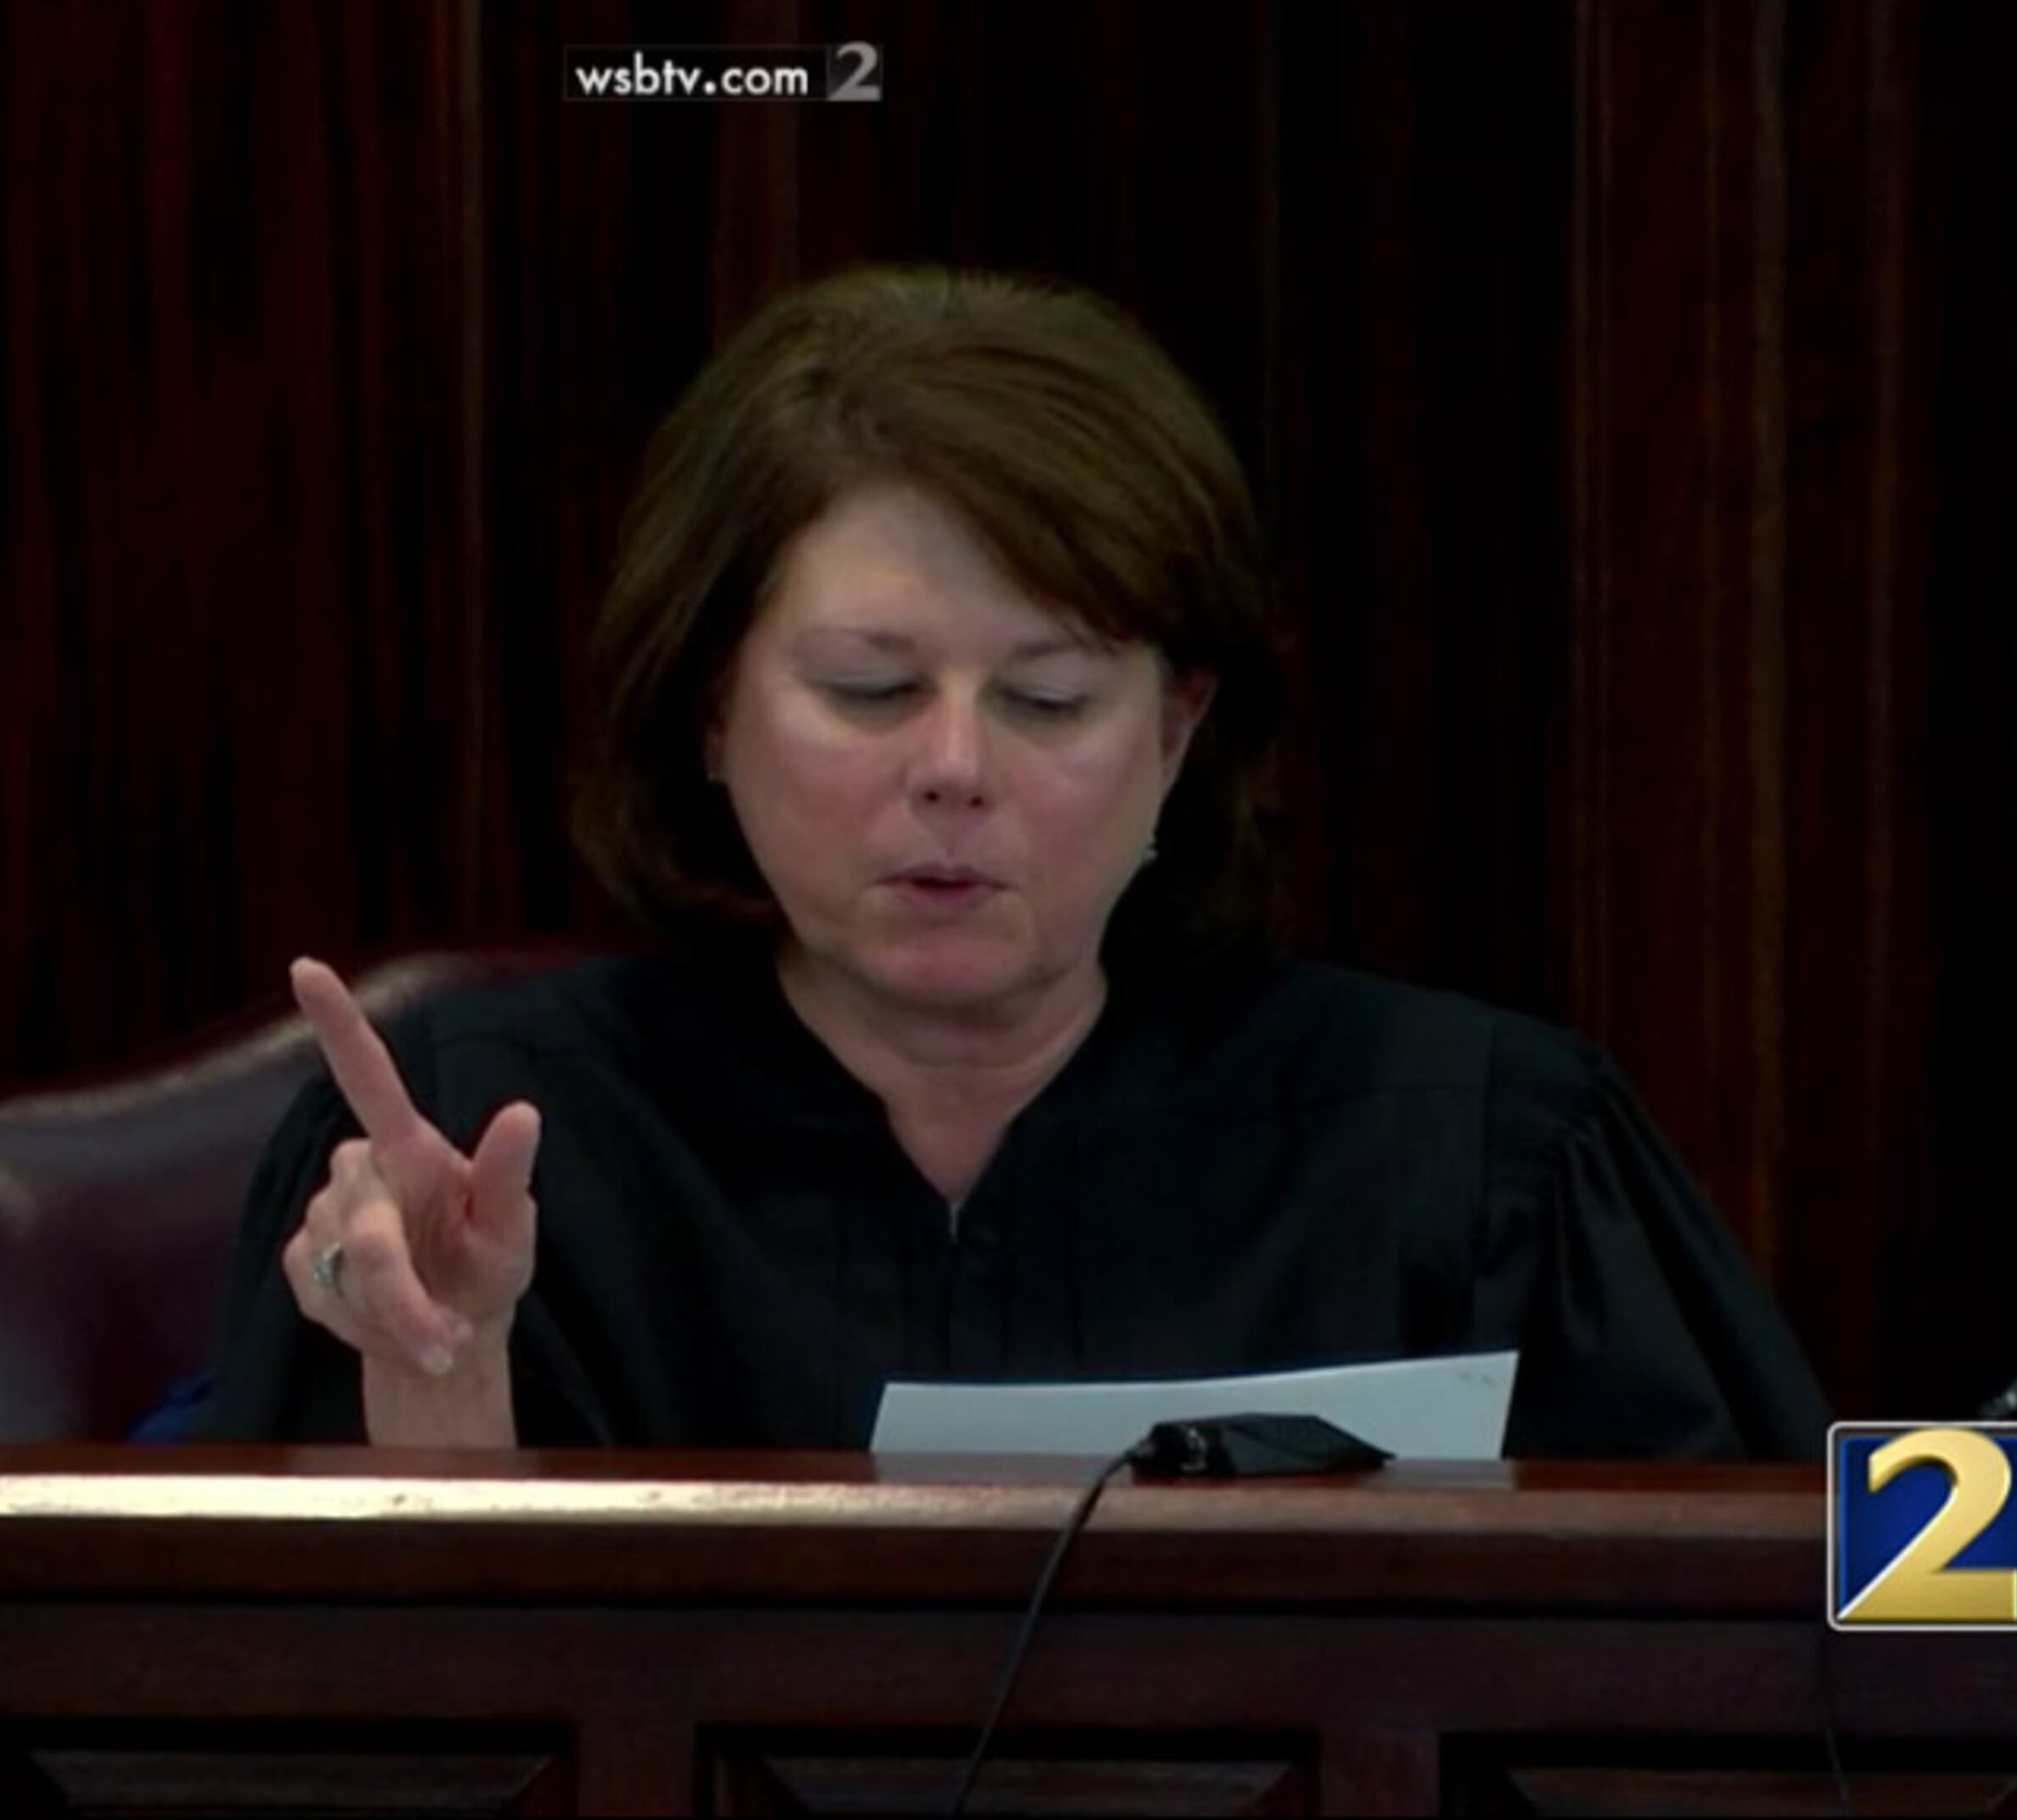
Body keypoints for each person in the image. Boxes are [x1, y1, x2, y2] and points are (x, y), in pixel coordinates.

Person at [190, 265, 1828, 1457]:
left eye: (1048, 697)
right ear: (706, 709)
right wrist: (436, 1367)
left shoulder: (1485, 1153)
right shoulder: (466, 1144)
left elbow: (1812, 1648)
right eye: (869, 690)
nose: (955, 772)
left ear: (1179, 731)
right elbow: (323, 1729)